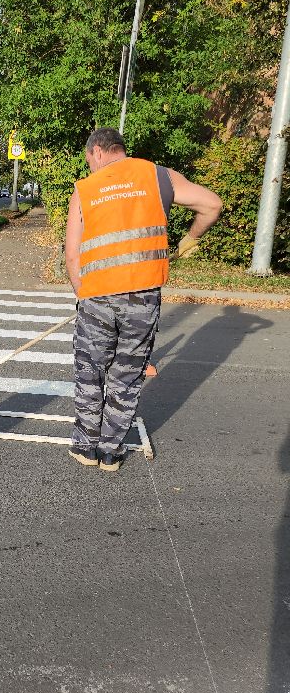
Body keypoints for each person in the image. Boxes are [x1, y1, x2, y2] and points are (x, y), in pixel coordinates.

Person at [65, 127, 222, 472]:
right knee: (128, 374)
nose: (91, 166)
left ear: (98, 152)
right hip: (143, 296)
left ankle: (85, 448)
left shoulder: (85, 189)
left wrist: (84, 298)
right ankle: (110, 453)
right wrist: (189, 240)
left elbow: (72, 258)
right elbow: (212, 205)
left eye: (89, 160)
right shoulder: (158, 176)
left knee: (90, 371)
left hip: (96, 297)